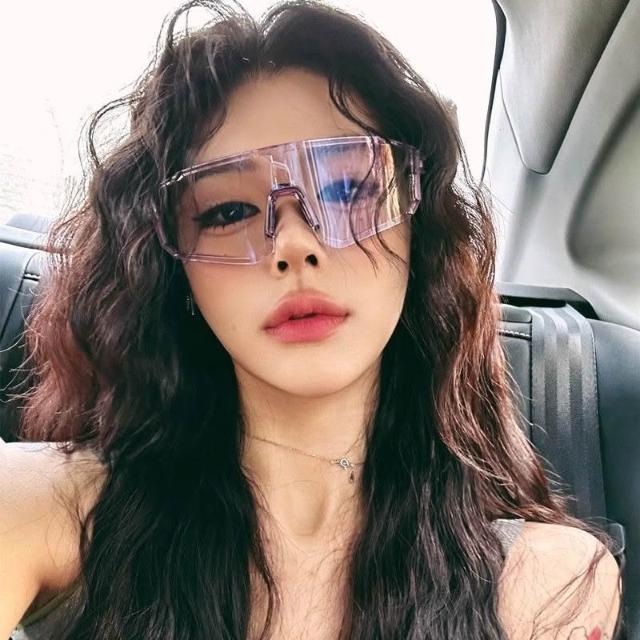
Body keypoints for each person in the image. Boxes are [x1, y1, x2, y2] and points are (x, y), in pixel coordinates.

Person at [0, 1, 623, 638]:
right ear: (176, 271)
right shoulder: (38, 508)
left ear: (418, 233)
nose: (295, 245)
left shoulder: (550, 585)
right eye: (228, 212)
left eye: (348, 191)